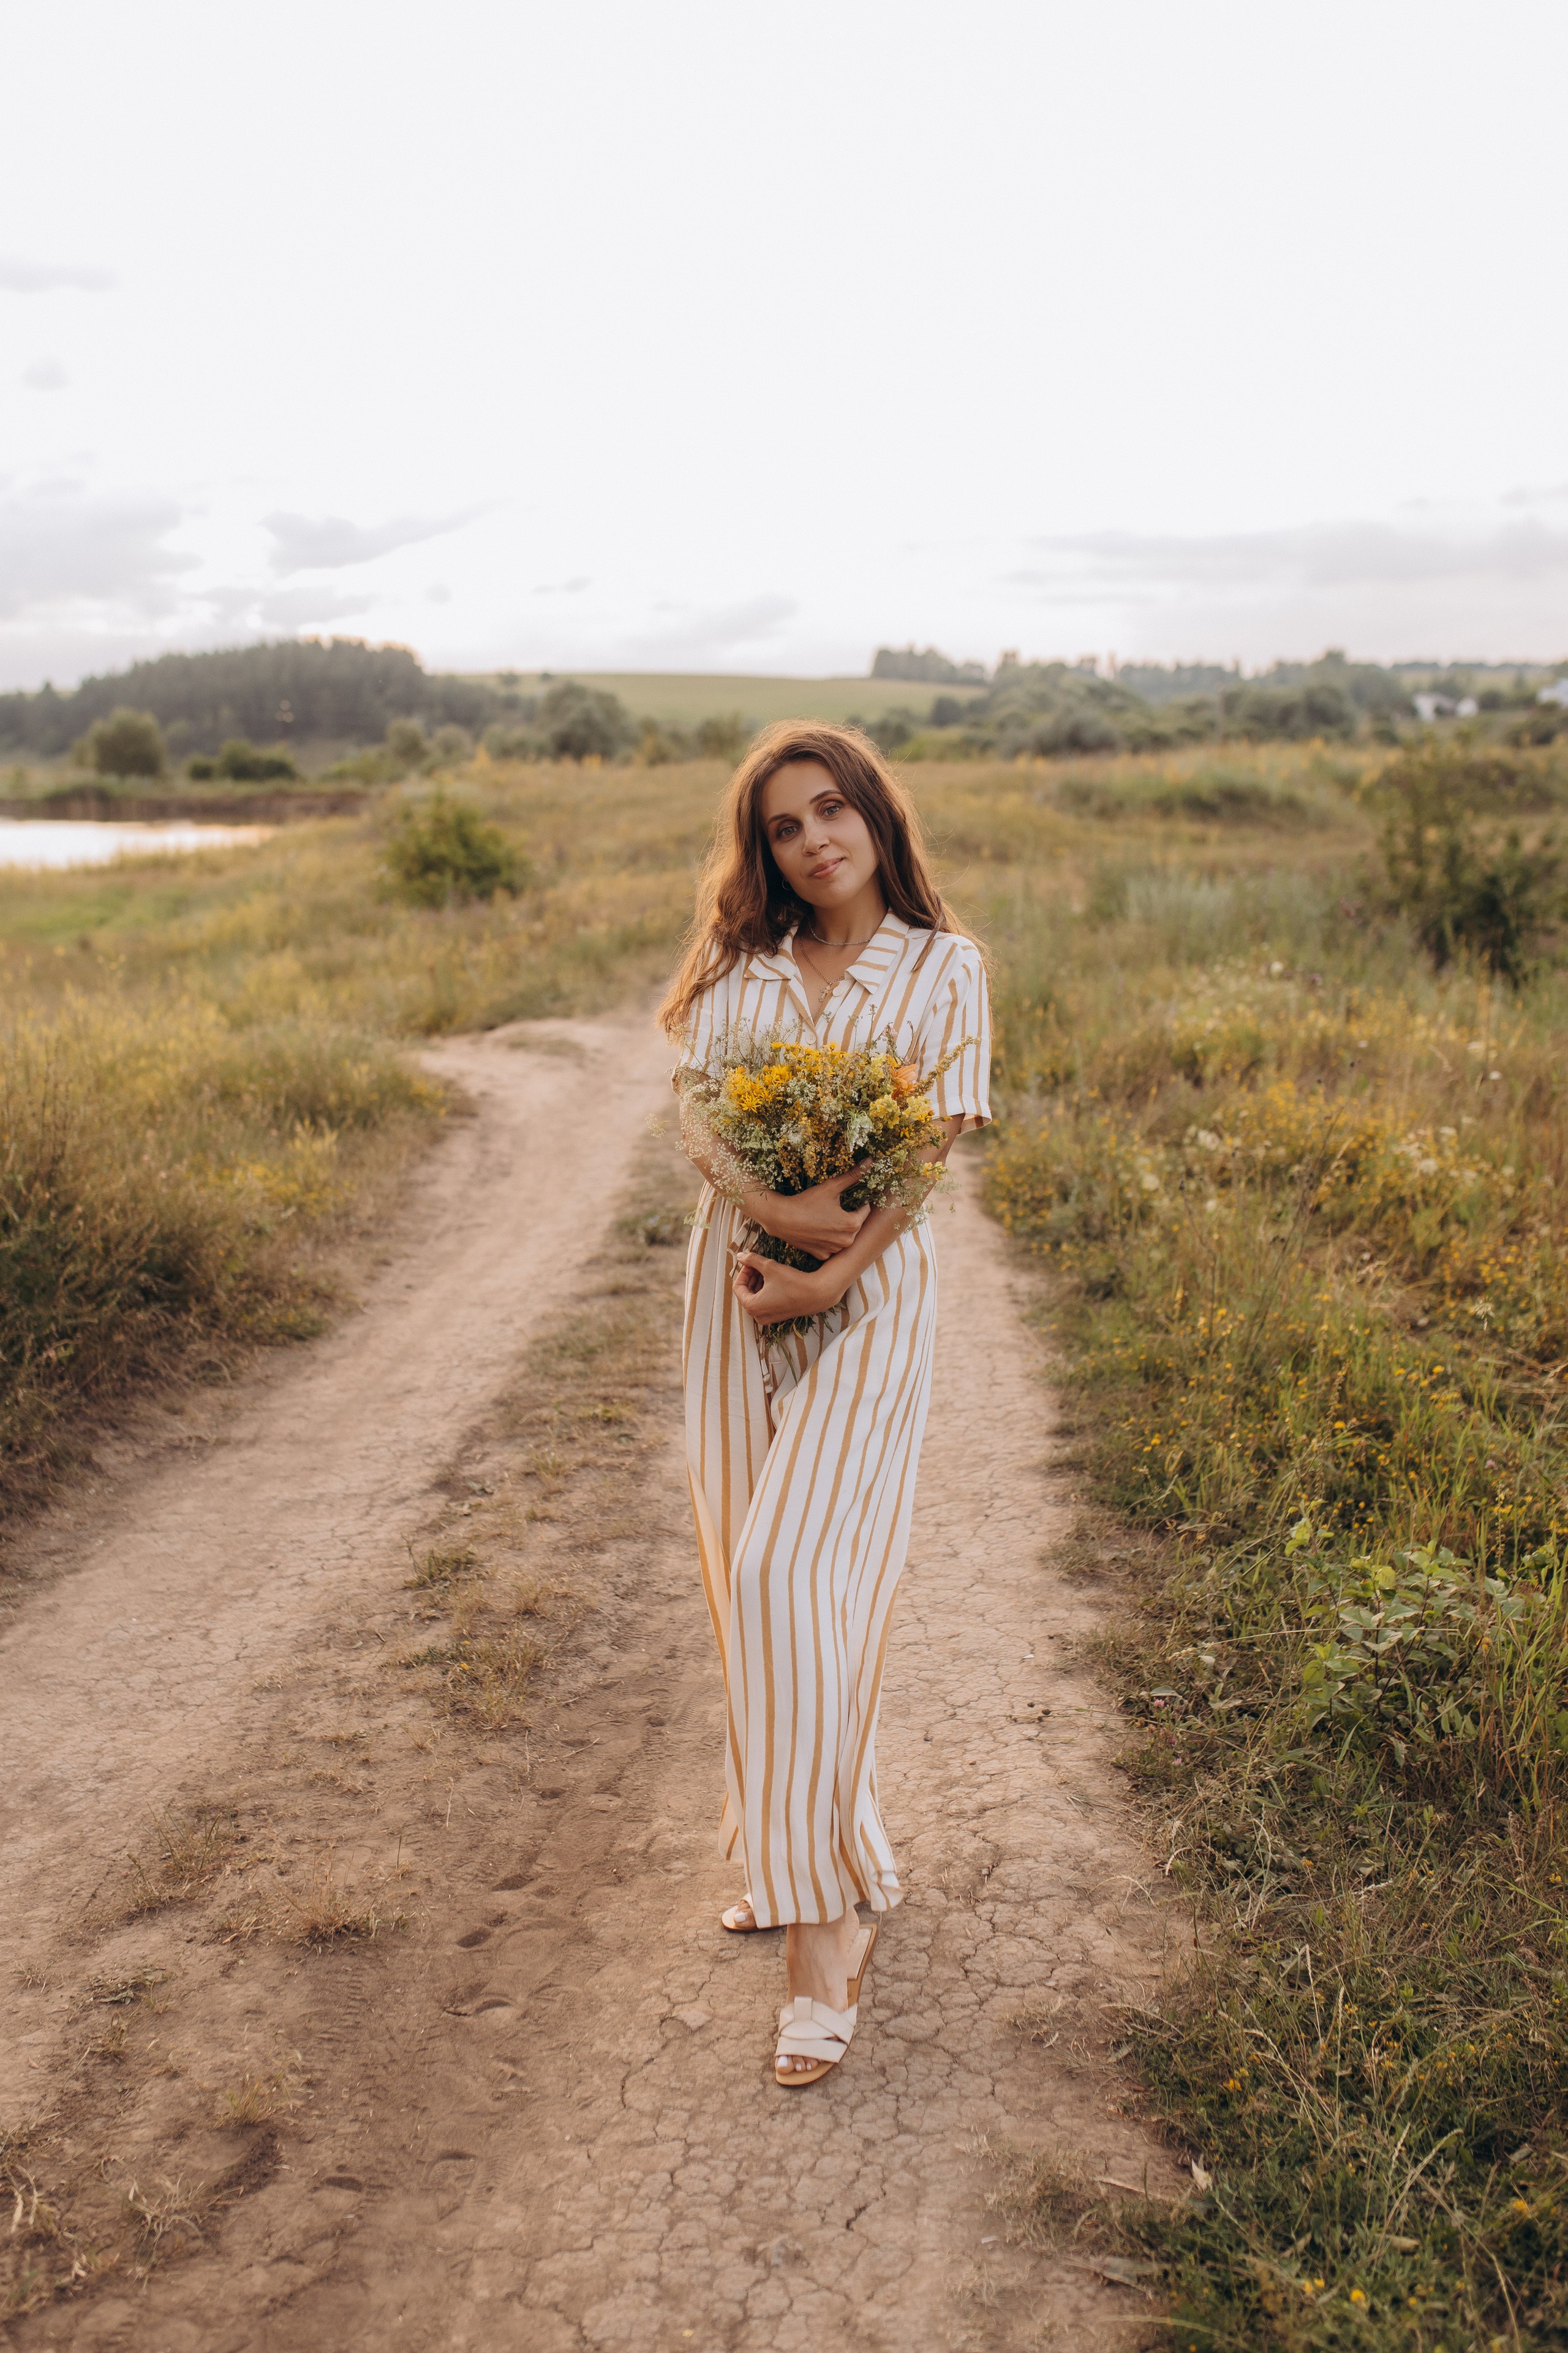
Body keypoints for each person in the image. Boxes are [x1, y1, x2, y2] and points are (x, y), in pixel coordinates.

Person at [659, 721, 991, 2087]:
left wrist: (833, 1264)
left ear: (875, 816)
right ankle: (818, 1838)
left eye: (832, 810)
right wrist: (774, 1216)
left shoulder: (944, 968)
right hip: (733, 1286)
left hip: (868, 1298)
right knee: (747, 1577)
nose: (812, 841)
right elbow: (694, 1117)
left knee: (798, 1570)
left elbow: (931, 1144)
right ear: (765, 850)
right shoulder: (741, 968)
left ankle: (821, 1932)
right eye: (785, 827)